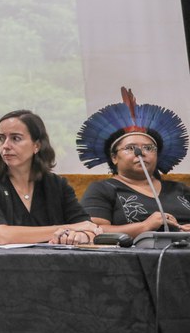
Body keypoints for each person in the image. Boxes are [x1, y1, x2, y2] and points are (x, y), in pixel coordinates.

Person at [0, 110, 100, 245]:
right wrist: (70, 228)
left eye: (16, 138)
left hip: (49, 264)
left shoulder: (57, 184)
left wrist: (79, 236)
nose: (5, 146)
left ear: (37, 145)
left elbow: (88, 228)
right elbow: (3, 236)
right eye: (1, 138)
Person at [77, 87, 190, 236]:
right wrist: (144, 226)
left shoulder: (179, 189)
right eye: (130, 148)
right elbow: (92, 231)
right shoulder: (103, 189)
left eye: (149, 148)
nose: (141, 153)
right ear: (114, 157)